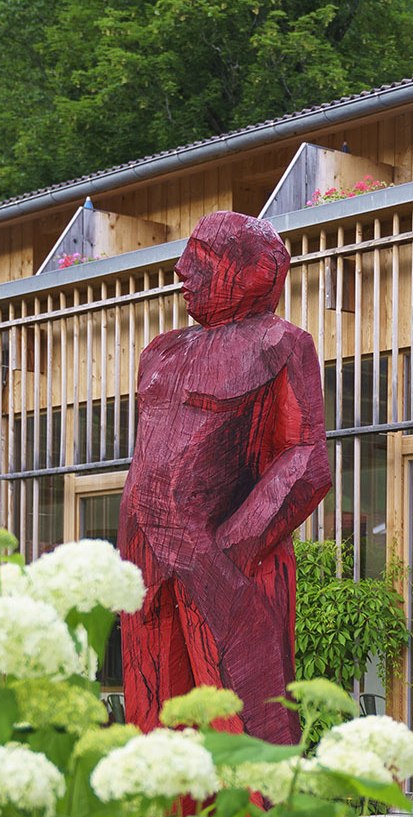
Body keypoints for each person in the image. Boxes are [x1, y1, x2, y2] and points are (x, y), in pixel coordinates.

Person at [119, 212, 331, 743]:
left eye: (202, 257)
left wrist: (235, 544)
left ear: (256, 272)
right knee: (154, 720)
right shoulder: (161, 352)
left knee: (245, 723)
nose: (181, 269)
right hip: (145, 561)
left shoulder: (280, 343)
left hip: (226, 559)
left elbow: (306, 459)